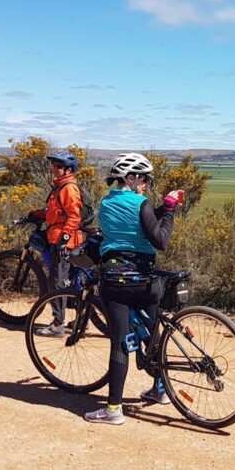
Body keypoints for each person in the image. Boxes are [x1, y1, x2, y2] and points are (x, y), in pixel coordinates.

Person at [85, 152, 183, 426]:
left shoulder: (105, 203)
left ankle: (113, 410)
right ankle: (160, 390)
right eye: (144, 179)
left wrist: (159, 210)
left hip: (117, 282)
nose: (146, 184)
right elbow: (160, 240)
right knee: (152, 334)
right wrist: (169, 210)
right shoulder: (142, 204)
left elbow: (129, 226)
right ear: (130, 178)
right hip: (147, 282)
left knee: (120, 343)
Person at [28, 150, 86, 337]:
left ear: (68, 170)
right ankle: (80, 320)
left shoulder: (68, 188)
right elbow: (55, 212)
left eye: (58, 166)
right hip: (60, 237)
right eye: (53, 165)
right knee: (71, 282)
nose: (54, 168)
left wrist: (65, 240)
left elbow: (74, 217)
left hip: (64, 241)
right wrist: (37, 214)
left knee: (57, 283)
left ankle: (57, 325)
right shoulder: (59, 187)